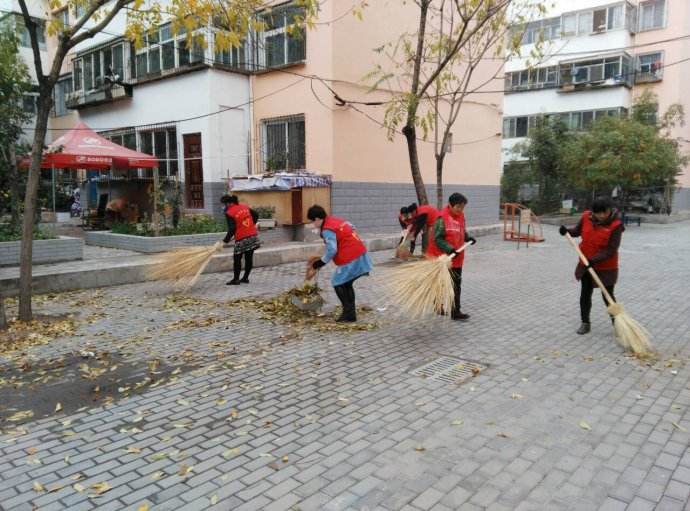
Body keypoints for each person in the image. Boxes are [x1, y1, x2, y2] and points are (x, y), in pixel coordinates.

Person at [559, 196, 624, 335]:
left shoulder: (616, 225)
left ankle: (618, 324)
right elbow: (577, 231)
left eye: (604, 212)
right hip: (586, 264)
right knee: (585, 293)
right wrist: (567, 231)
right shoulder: (586, 217)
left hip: (606, 267)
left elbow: (611, 249)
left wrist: (594, 260)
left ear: (609, 210)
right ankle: (585, 323)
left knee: (608, 295)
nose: (601, 216)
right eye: (598, 213)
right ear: (593, 212)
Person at [305, 205, 373, 322]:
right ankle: (350, 313)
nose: (312, 224)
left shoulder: (327, 229)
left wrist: (319, 264)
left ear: (317, 219)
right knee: (346, 284)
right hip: (359, 252)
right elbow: (351, 226)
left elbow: (332, 249)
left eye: (312, 221)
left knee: (338, 283)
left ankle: (348, 314)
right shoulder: (333, 220)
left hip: (350, 257)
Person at [426, 193, 476, 321]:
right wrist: (450, 249)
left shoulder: (461, 216)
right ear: (450, 204)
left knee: (456, 284)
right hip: (442, 258)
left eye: (463, 207)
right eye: (458, 207)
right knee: (441, 284)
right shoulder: (441, 218)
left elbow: (461, 229)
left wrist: (467, 237)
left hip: (457, 258)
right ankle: (438, 305)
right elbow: (437, 239)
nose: (460, 210)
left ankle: (455, 311)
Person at [221, 194, 261, 285]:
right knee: (249, 257)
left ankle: (236, 279)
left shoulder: (230, 212)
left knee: (237, 258)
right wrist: (252, 224)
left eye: (223, 204)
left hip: (242, 238)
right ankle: (245, 278)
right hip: (252, 236)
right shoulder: (244, 207)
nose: (223, 206)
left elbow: (232, 228)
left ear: (228, 203)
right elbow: (256, 214)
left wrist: (225, 240)